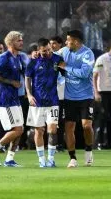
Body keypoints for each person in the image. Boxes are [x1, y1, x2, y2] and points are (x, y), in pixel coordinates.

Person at [0, 31, 24, 167]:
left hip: (15, 98)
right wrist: (10, 82)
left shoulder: (17, 57)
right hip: (7, 99)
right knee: (17, 129)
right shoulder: (4, 57)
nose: (21, 42)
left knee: (20, 129)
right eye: (19, 40)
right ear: (11, 42)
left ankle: (9, 159)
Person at [57, 30, 95, 168]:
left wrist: (66, 67)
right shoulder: (64, 51)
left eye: (68, 40)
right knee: (69, 127)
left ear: (76, 42)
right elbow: (52, 56)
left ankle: (89, 151)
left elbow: (85, 74)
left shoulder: (87, 54)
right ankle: (72, 158)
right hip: (69, 97)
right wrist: (38, 55)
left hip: (86, 96)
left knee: (86, 126)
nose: (66, 42)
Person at [25, 38, 64, 167]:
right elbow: (27, 79)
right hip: (37, 101)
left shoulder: (57, 59)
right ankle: (41, 159)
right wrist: (29, 95)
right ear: (38, 50)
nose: (47, 52)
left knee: (52, 130)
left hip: (53, 100)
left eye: (48, 50)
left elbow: (65, 72)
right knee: (39, 131)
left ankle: (51, 159)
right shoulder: (33, 62)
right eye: (44, 51)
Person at [50, 35, 65, 152]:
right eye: (50, 43)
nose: (52, 46)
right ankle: (52, 144)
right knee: (52, 120)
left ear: (60, 44)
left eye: (54, 43)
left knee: (61, 120)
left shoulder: (62, 57)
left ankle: (59, 144)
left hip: (63, 94)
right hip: (51, 94)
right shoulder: (49, 58)